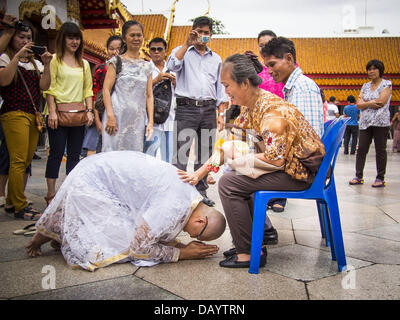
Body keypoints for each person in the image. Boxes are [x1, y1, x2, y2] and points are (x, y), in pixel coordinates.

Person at [179, 54, 325, 268]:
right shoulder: (253, 106)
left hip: (302, 173)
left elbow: (275, 159)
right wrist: (199, 174)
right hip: (293, 167)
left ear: (244, 83)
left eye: (227, 86)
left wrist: (240, 160)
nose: (225, 92)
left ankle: (247, 252)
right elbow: (226, 144)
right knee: (235, 175)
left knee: (230, 183)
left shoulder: (271, 111)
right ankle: (252, 243)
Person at [26, 151, 226, 271]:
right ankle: (47, 235)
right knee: (115, 246)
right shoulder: (173, 206)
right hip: (90, 182)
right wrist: (182, 254)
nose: (190, 236)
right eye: (197, 236)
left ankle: (50, 233)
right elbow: (138, 249)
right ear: (200, 221)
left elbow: (154, 231)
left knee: (128, 230)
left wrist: (180, 247)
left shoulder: (190, 196)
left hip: (96, 170)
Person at [166, 16, 228, 207]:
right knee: (181, 153)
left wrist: (221, 114)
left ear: (210, 35)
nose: (203, 36)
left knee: (205, 152)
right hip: (186, 108)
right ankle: (178, 194)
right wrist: (187, 43)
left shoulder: (216, 58)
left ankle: (200, 193)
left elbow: (220, 89)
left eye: (206, 33)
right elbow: (171, 66)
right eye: (199, 32)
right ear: (193, 31)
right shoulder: (182, 52)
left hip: (209, 109)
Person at [262, 36, 324, 214]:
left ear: (289, 59)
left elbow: (308, 142)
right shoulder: (293, 88)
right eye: (267, 67)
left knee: (236, 179)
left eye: (272, 64)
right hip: (303, 165)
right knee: (246, 164)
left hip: (303, 171)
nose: (270, 71)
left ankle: (259, 235)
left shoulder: (301, 89)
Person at [0, 20, 52, 219]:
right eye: (21, 37)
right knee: (18, 160)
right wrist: (17, 58)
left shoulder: (34, 62)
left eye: (29, 38)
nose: (25, 41)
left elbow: (44, 86)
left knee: (26, 160)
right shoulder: (5, 58)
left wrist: (46, 65)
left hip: (32, 113)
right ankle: (20, 205)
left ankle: (13, 202)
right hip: (13, 112)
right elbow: (4, 80)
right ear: (12, 38)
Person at [43, 22, 94, 206]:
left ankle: (70, 192)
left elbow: (87, 89)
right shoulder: (55, 60)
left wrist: (89, 111)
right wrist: (52, 112)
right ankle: (50, 194)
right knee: (56, 153)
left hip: (78, 114)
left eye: (77, 38)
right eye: (70, 37)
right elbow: (50, 88)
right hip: (58, 113)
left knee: (74, 155)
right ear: (63, 39)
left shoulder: (84, 64)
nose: (74, 41)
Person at [102, 20, 154, 152]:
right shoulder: (116, 61)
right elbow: (106, 90)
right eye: (132, 35)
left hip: (137, 122)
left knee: (133, 160)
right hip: (116, 118)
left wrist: (150, 122)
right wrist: (110, 116)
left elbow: (149, 96)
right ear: (124, 38)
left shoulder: (147, 66)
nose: (136, 38)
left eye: (139, 35)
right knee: (112, 157)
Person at [349, 59, 392, 188]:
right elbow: (358, 105)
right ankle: (358, 176)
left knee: (380, 150)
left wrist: (365, 103)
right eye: (369, 69)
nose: (371, 71)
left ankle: (380, 177)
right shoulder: (365, 86)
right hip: (365, 122)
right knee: (361, 148)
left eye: (374, 68)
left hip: (380, 122)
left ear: (380, 70)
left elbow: (381, 102)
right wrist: (370, 103)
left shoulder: (386, 84)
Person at [83, 35, 122, 156]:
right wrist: (97, 120)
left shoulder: (125, 69)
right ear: (106, 50)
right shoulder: (101, 69)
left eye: (118, 48)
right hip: (101, 112)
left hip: (120, 115)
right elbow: (95, 94)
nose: (115, 52)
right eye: (111, 48)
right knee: (93, 148)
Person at [143, 37, 176, 163]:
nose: (156, 52)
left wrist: (175, 83)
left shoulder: (173, 68)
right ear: (149, 51)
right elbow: (141, 91)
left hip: (171, 118)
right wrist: (157, 79)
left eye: (159, 49)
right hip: (151, 119)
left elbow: (180, 93)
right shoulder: (146, 68)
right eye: (153, 49)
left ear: (165, 51)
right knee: (149, 156)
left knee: (169, 158)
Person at [255, 30, 284, 98]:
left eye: (268, 44)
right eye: (261, 45)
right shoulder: (255, 69)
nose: (264, 48)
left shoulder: (286, 67)